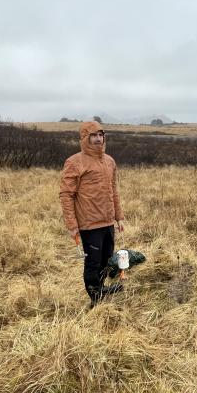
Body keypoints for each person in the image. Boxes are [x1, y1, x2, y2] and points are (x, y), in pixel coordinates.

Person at [60, 120, 125, 307]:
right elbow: (66, 195)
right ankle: (95, 300)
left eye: (100, 135)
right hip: (89, 225)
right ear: (84, 138)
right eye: (93, 135)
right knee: (93, 264)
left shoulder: (109, 161)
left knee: (106, 261)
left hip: (108, 222)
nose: (98, 139)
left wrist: (118, 217)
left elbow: (113, 191)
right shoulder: (74, 162)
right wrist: (72, 226)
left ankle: (101, 288)